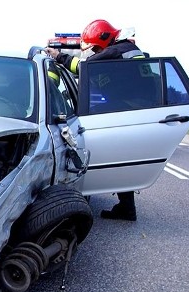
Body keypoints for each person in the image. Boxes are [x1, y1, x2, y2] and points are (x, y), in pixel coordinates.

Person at [45, 19, 145, 221]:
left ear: (103, 41)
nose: (96, 51)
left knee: (117, 159)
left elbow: (85, 68)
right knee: (121, 160)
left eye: (96, 48)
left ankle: (125, 208)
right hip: (134, 111)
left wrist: (59, 56)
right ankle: (127, 208)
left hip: (126, 112)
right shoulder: (128, 49)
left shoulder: (115, 51)